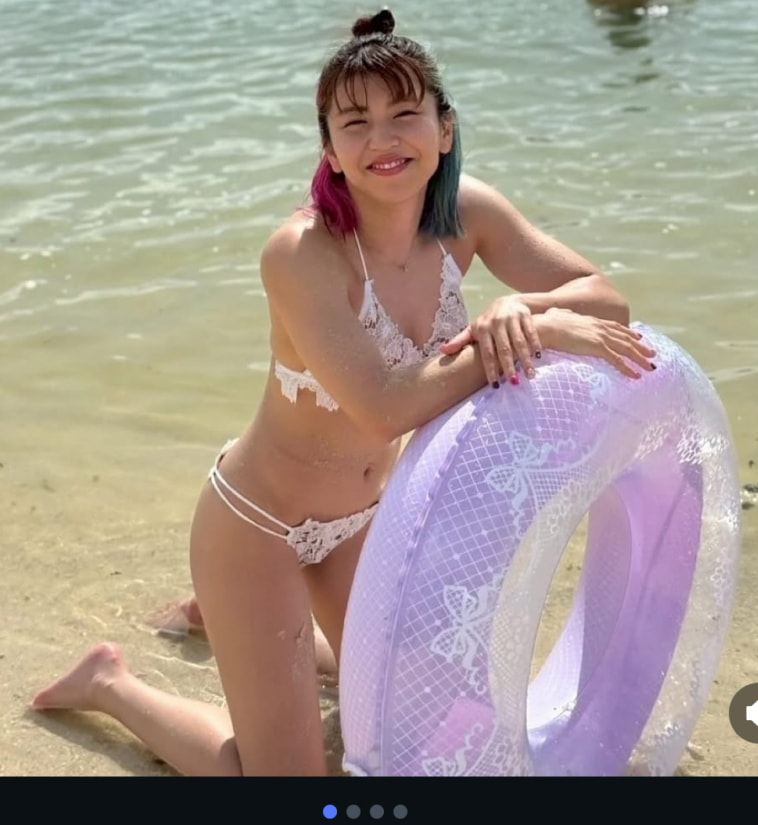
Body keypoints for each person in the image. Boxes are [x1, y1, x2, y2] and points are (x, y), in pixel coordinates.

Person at [31, 9, 657, 776]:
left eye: (404, 115)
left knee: (427, 718)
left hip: (361, 525)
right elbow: (385, 407)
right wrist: (529, 336)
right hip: (256, 527)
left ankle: (240, 630)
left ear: (445, 130)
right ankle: (112, 682)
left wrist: (517, 311)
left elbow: (608, 300)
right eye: (354, 123)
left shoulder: (468, 215)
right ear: (329, 149)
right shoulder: (301, 254)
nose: (382, 140)